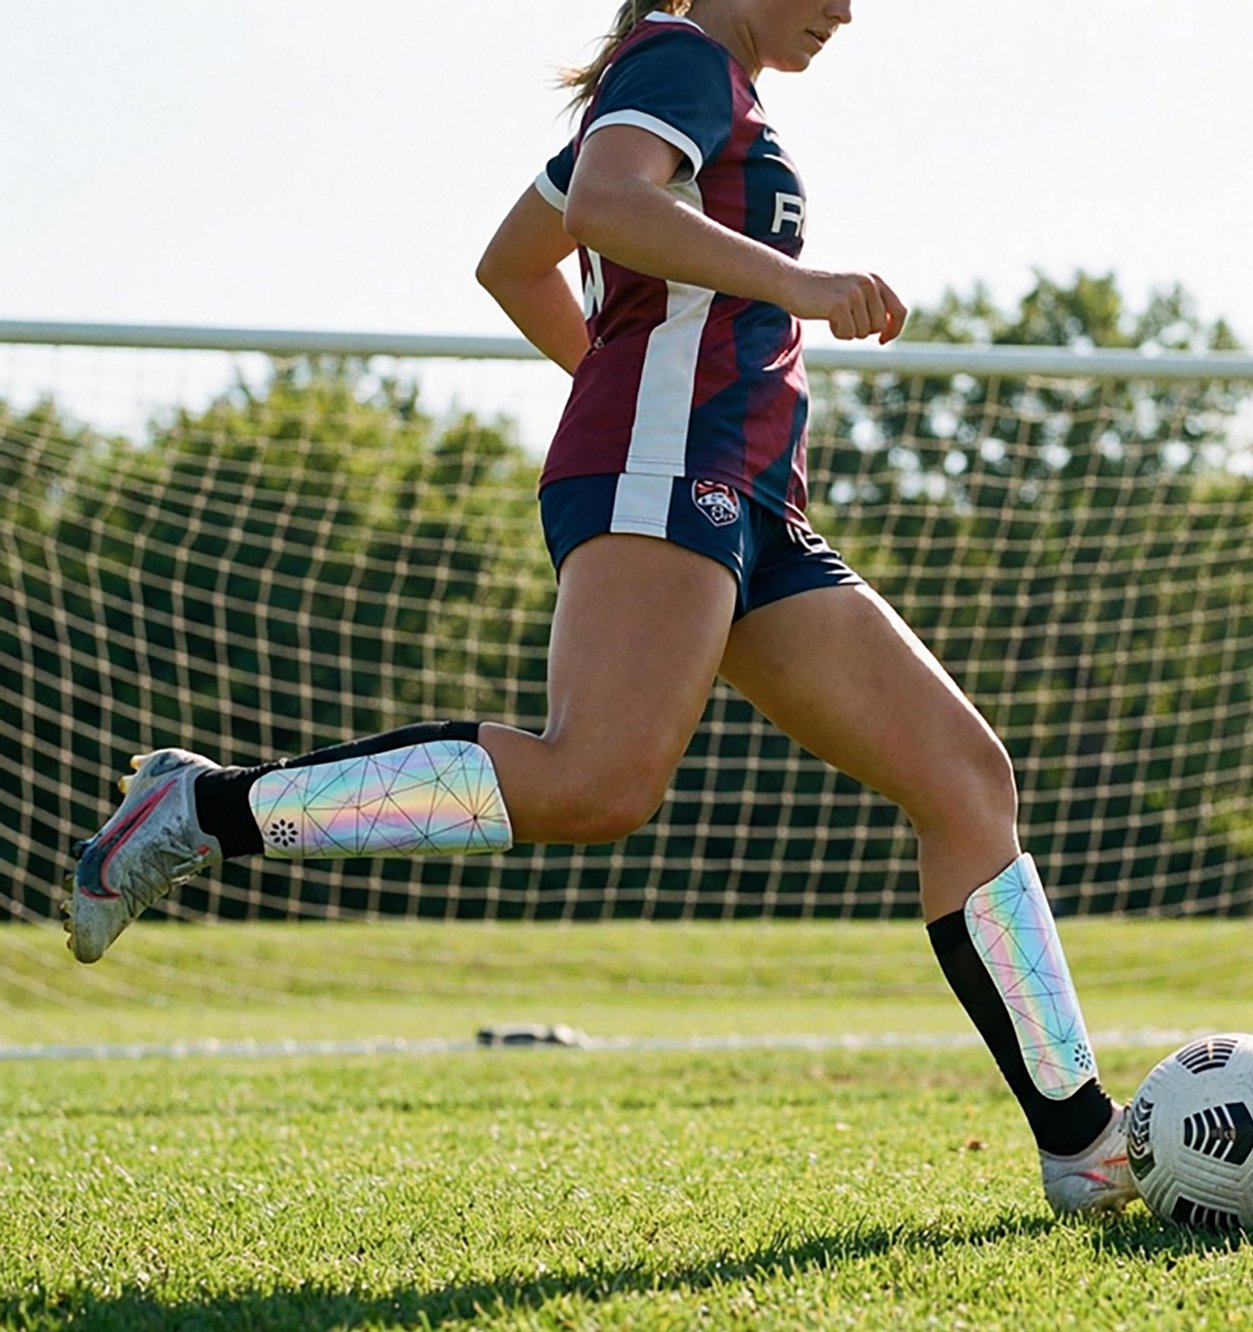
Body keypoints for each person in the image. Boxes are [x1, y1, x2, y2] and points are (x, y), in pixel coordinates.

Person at [64, 0, 1136, 1217]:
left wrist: (630, 374)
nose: (847, 9)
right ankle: (202, 808)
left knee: (965, 778)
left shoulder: (698, 86)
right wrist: (775, 303)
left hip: (744, 494)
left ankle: (1084, 1144)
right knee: (595, 781)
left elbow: (514, 261)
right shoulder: (682, 57)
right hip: (665, 470)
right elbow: (605, 209)